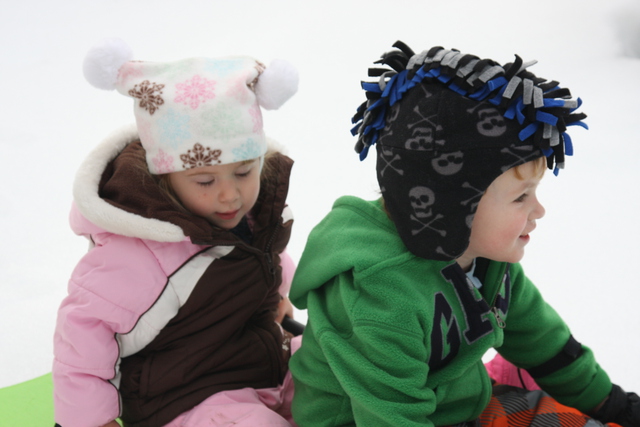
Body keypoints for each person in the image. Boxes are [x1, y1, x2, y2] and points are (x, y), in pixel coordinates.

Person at [288, 41, 640, 426]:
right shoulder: (382, 293)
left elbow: (545, 345)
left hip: (459, 407)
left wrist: (613, 406)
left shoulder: (487, 261)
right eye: (521, 197)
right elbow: (389, 415)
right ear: (453, 204)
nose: (538, 210)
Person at [52, 38, 300, 427]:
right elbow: (82, 333)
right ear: (165, 178)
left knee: (342, 371)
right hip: (185, 396)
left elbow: (266, 261)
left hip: (263, 362)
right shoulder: (140, 253)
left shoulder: (254, 218)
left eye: (243, 172)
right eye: (205, 180)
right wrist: (90, 420)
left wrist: (278, 297)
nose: (229, 194)